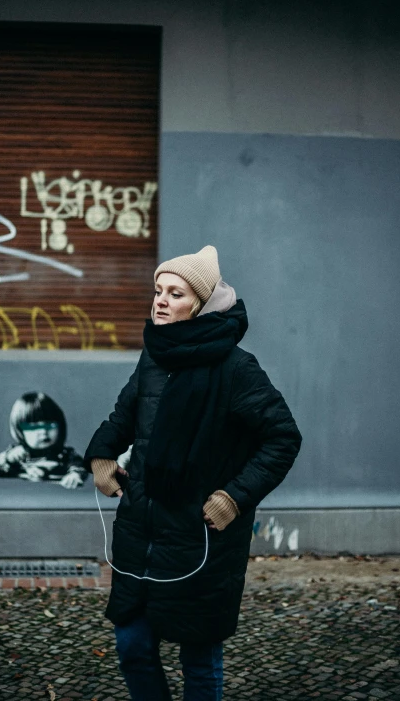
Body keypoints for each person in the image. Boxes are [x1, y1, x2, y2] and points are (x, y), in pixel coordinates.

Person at [84, 245, 302, 700]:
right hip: (142, 528)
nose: (160, 300)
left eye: (175, 293)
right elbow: (123, 417)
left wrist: (235, 497)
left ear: (201, 305)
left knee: (198, 661)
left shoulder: (236, 369)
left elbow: (282, 438)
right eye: (158, 290)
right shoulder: (154, 356)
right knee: (133, 646)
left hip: (201, 536)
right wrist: (102, 455)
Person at [0, 391, 87, 489]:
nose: (43, 431)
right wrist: (7, 457)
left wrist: (74, 476)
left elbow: (80, 467)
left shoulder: (65, 455)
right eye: (33, 428)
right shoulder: (16, 454)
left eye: (50, 425)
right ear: (20, 431)